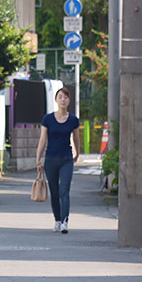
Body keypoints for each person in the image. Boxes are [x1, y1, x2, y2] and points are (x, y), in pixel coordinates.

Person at [36, 87, 80, 234]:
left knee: (64, 191)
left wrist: (77, 153)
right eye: (60, 97)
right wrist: (38, 160)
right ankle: (57, 220)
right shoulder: (47, 119)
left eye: (66, 97)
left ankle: (65, 221)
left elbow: (76, 138)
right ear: (56, 100)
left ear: (69, 100)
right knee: (54, 192)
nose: (63, 100)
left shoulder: (73, 120)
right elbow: (43, 140)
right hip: (50, 160)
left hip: (67, 159)